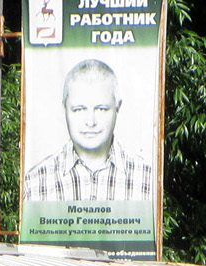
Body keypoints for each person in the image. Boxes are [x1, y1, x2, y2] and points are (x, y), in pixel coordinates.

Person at [22, 58, 153, 203]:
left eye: (101, 109)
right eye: (79, 109)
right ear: (64, 109)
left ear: (117, 107)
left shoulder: (148, 180)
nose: (90, 122)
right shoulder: (34, 183)